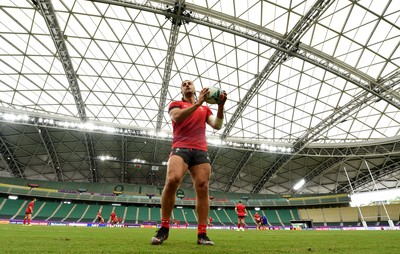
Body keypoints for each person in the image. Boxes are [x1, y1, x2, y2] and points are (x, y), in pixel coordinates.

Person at [151, 80, 227, 245]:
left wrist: (221, 106)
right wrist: (198, 103)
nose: (187, 85)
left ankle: (202, 233)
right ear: (181, 90)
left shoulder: (205, 108)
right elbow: (176, 117)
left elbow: (217, 125)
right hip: (181, 147)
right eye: (183, 84)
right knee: (172, 180)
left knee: (203, 187)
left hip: (200, 150)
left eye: (189, 83)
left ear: (195, 88)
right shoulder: (176, 104)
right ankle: (164, 228)